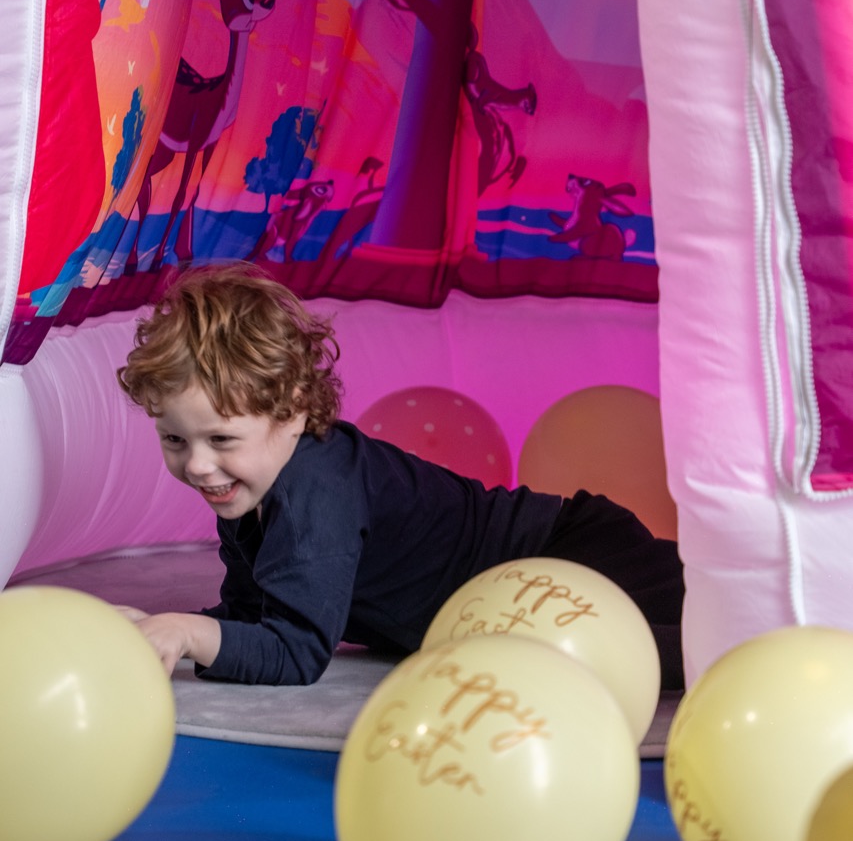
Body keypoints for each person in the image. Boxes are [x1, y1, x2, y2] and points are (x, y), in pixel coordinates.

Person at [116, 263, 685, 688]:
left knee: (710, 643)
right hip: (513, 605)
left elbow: (295, 652)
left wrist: (188, 634)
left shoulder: (317, 491)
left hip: (568, 553)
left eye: (220, 440)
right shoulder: (246, 490)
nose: (196, 464)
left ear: (289, 410)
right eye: (174, 439)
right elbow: (253, 621)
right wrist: (163, 628)